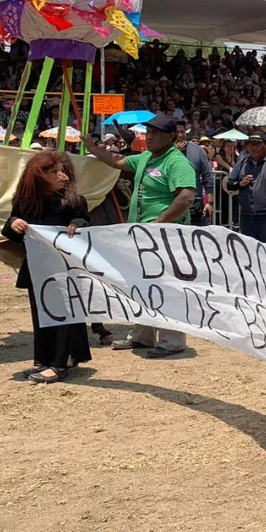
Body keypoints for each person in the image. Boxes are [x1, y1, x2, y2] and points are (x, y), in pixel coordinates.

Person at [84, 114, 197, 358]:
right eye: (148, 132)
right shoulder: (146, 157)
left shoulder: (176, 162)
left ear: (171, 136)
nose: (151, 136)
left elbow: (186, 197)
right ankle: (142, 336)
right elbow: (117, 162)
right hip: (143, 235)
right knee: (143, 284)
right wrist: (92, 148)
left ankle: (172, 341)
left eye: (156, 132)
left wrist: (159, 222)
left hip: (166, 235)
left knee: (166, 287)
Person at [1, 152, 93, 383]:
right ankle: (44, 360)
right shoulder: (25, 203)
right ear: (39, 175)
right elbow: (11, 234)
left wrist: (77, 224)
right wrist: (14, 223)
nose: (62, 176)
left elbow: (86, 223)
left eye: (62, 170)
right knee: (42, 314)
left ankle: (60, 363)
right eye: (54, 172)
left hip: (66, 267)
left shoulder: (74, 201)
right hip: (38, 268)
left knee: (66, 313)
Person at [225, 131, 266, 248]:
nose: (254, 147)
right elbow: (229, 183)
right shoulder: (243, 162)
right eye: (250, 144)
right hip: (247, 216)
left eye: (257, 144)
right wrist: (240, 184)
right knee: (248, 251)